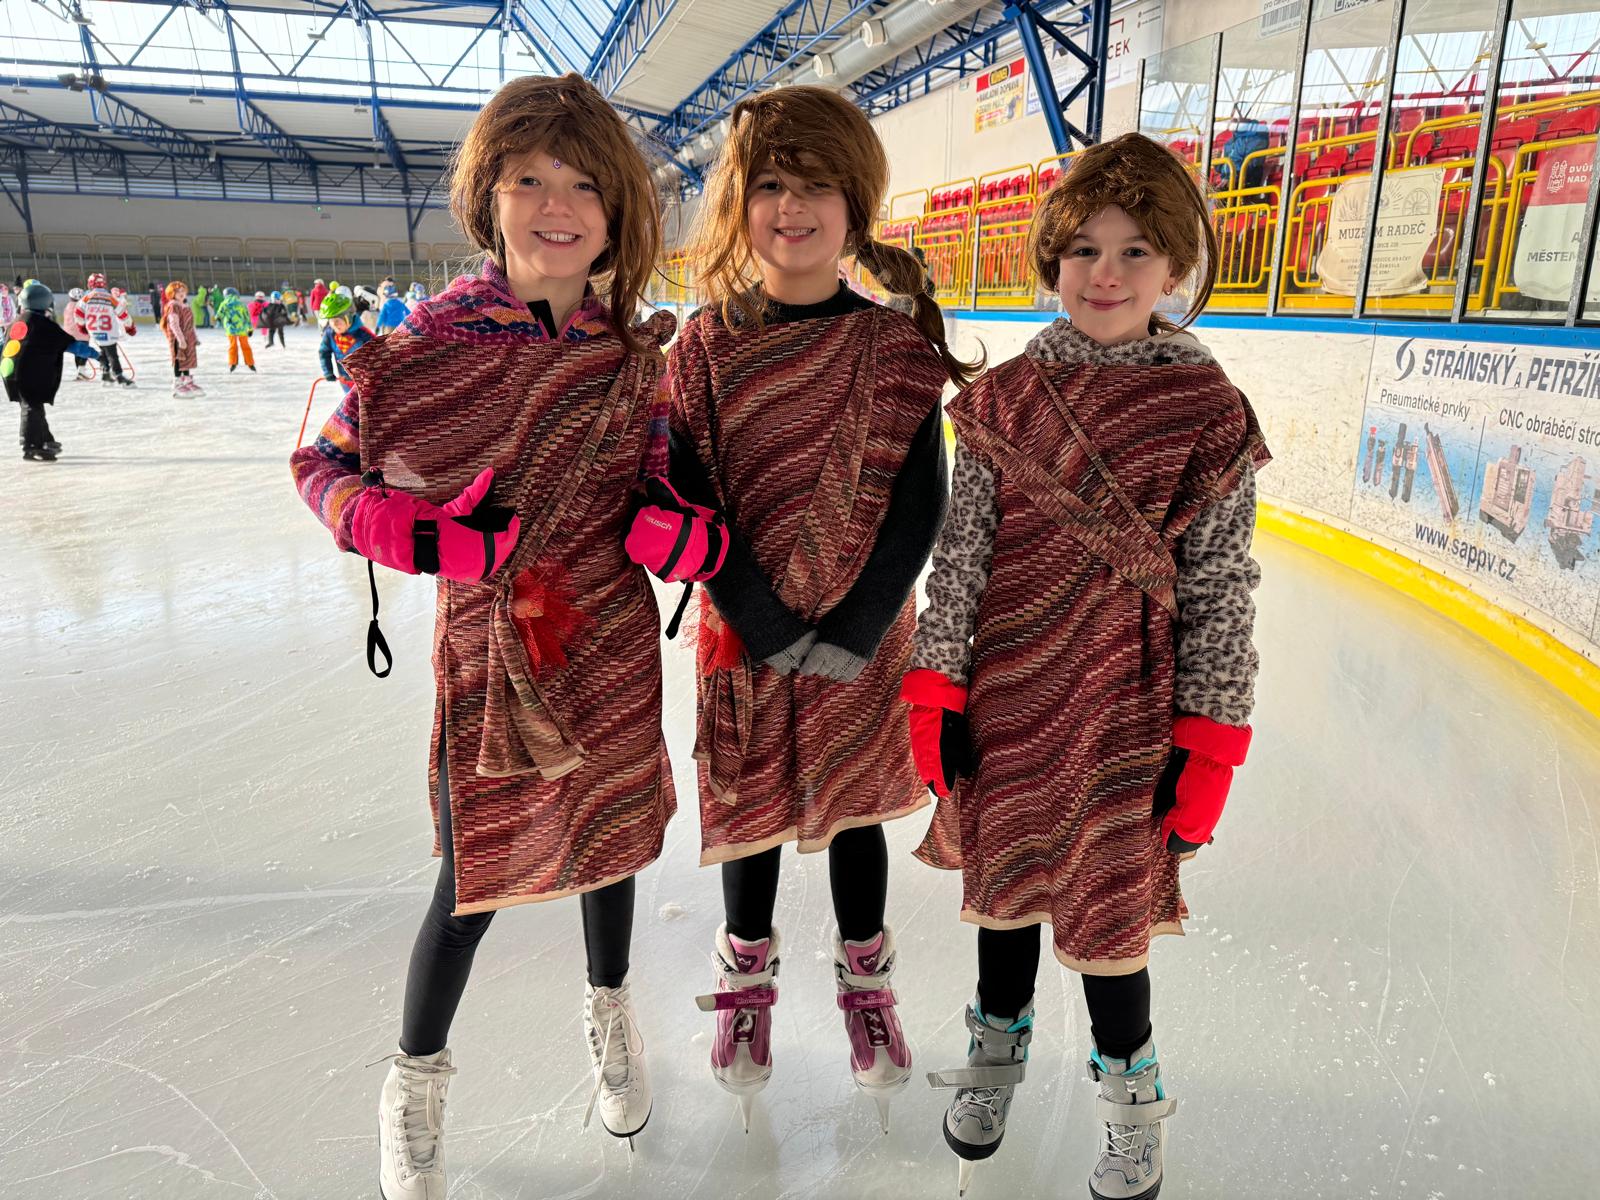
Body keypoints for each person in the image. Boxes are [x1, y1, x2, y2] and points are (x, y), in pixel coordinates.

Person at [290, 72, 685, 1199]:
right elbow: (322, 464)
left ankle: (610, 1013)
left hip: (608, 640)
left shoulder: (630, 354)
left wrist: (677, 523)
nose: (557, 205)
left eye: (584, 184)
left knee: (611, 844)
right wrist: (398, 530)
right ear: (488, 196)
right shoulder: (427, 343)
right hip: (491, 650)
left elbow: (661, 468)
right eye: (529, 179)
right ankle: (414, 1083)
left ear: (616, 210)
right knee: (474, 877)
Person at [903, 132, 1271, 1199]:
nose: (1105, 274)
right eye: (1083, 251)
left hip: (1127, 707)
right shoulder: (1006, 399)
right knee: (1003, 898)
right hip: (1009, 694)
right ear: (1050, 262)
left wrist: (1209, 741)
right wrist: (936, 687)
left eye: (1134, 251)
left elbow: (1220, 586)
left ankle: (1129, 1095)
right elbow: (963, 553)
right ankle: (997, 1043)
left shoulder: (1207, 411)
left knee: (1113, 919)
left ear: (1176, 267)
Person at [654, 85, 980, 1135]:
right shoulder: (704, 349)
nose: (792, 209)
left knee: (853, 813)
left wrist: (855, 626)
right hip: (741, 630)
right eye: (770, 186)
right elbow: (691, 497)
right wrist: (758, 615)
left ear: (855, 206)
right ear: (739, 205)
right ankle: (745, 981)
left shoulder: (893, 349)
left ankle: (866, 985)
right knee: (749, 813)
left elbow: (920, 503)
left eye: (817, 187)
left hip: (862, 637)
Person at [5, 280, 100, 459]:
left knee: (33, 406)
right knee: (32, 406)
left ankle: (45, 439)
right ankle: (31, 445)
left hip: (11, 371)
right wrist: (97, 355)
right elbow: (71, 345)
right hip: (28, 374)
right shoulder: (44, 325)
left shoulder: (17, 322)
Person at [79, 272, 137, 386]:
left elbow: (78, 313)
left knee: (103, 352)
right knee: (112, 354)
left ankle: (105, 374)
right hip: (108, 332)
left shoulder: (86, 298)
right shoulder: (110, 298)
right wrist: (130, 327)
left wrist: (81, 326)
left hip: (94, 332)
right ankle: (119, 376)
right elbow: (123, 313)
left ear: (90, 284)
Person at [313, 290, 373, 385]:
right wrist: (328, 371)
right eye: (331, 321)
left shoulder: (363, 334)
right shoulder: (330, 334)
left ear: (348, 317)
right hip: (345, 381)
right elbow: (324, 352)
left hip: (366, 382)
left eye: (337, 320)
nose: (334, 325)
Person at [162, 281, 203, 396]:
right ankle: (177, 383)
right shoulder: (173, 306)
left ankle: (187, 380)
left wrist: (195, 337)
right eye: (178, 291)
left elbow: (191, 324)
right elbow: (174, 324)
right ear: (172, 293)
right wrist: (180, 339)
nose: (181, 293)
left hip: (188, 337)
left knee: (186, 360)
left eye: (183, 291)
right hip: (177, 338)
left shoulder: (185, 305)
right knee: (179, 359)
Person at [215, 287, 256, 372]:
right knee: (245, 346)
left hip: (231, 329)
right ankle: (250, 363)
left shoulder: (224, 303)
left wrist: (218, 319)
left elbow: (219, 314)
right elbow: (247, 317)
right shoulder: (241, 304)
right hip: (242, 328)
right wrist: (250, 329)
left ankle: (233, 363)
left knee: (232, 346)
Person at [62, 287, 93, 381]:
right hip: (81, 333)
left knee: (77, 352)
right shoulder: (83, 306)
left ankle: (80, 372)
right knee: (84, 351)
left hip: (69, 333)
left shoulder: (68, 306)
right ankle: (81, 371)